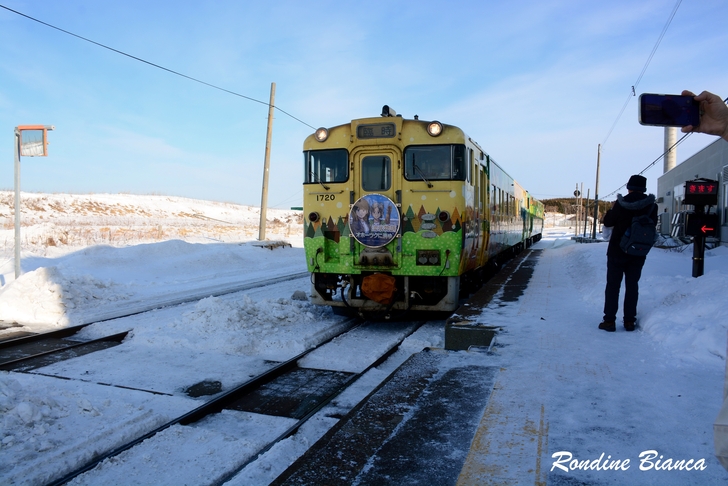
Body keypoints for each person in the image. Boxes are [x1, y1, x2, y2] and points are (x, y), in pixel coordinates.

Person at [599, 174, 658, 332]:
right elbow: (652, 226)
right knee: (632, 286)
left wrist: (612, 210)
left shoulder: (621, 203)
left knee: (613, 286)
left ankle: (609, 321)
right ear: (644, 188)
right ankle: (629, 321)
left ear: (629, 187)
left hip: (617, 251)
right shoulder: (652, 206)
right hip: (638, 251)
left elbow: (608, 222)